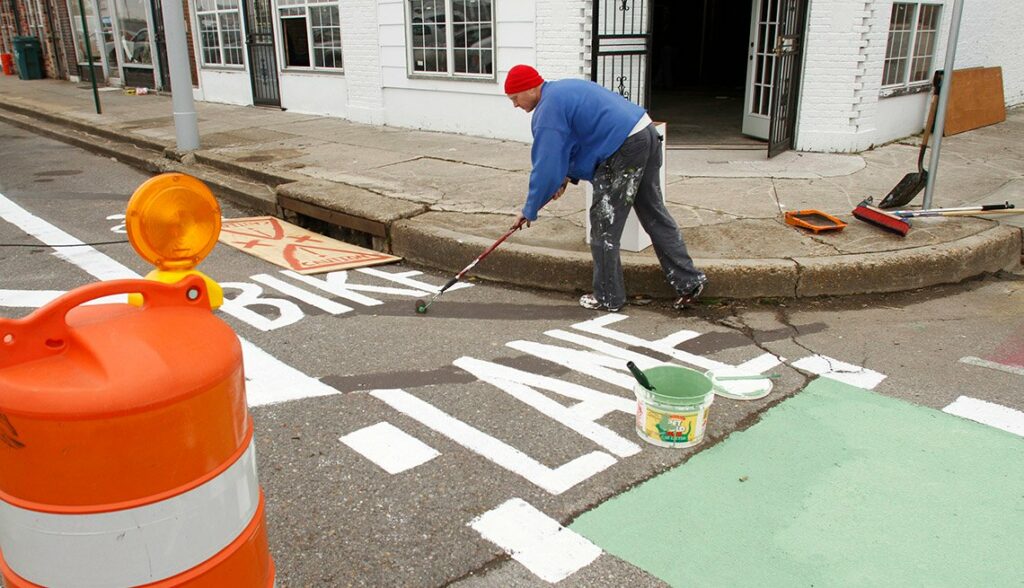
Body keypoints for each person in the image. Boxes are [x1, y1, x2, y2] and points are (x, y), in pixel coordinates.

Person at [504, 64, 706, 312]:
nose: (515, 105)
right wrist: (566, 177)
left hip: (623, 147)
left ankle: (608, 296)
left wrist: (530, 209)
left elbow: (546, 165)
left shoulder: (547, 110)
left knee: (603, 224)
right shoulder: (562, 90)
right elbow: (580, 138)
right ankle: (689, 282)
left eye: (515, 98)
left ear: (531, 87)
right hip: (645, 132)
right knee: (654, 213)